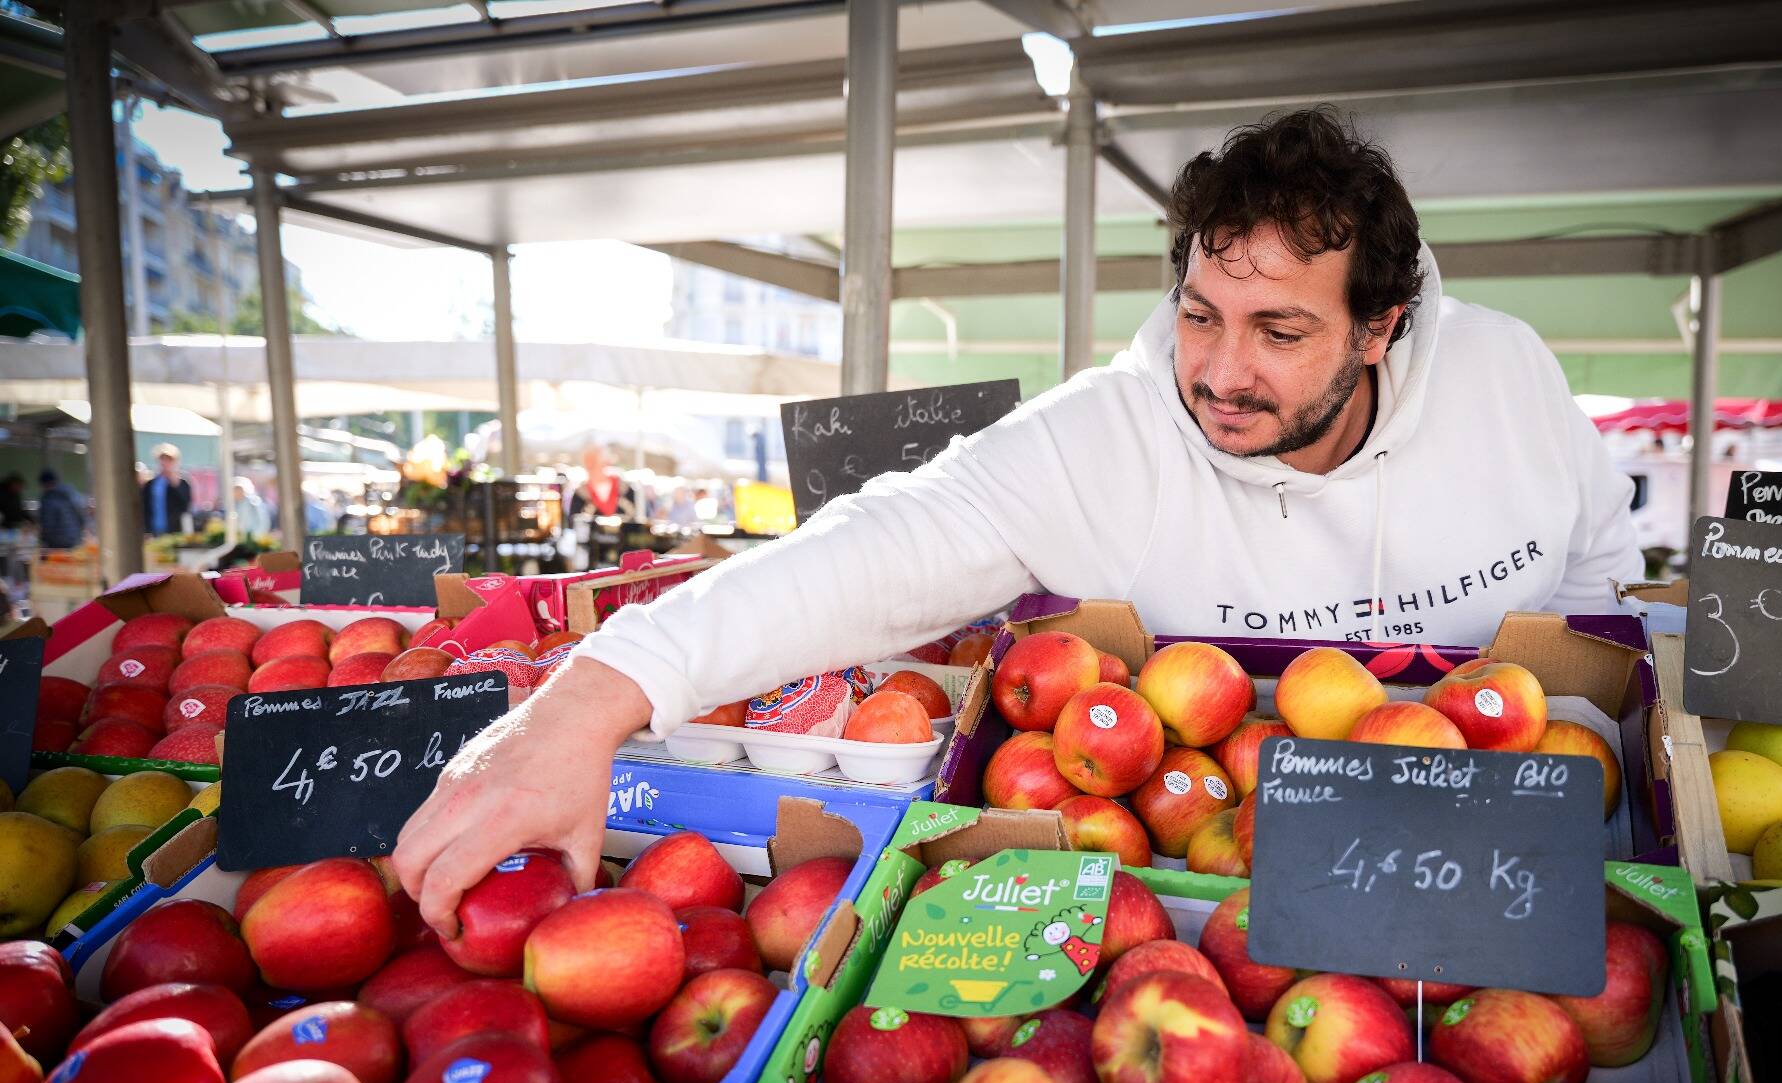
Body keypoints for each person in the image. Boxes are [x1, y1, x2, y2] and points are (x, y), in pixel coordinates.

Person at [395, 108, 1642, 936]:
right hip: (1201, 895)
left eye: (1279, 332)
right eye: (1200, 313)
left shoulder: (1506, 379)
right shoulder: (1109, 433)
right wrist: (589, 698)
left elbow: (1602, 572)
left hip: (1495, 872)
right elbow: (879, 545)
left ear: (1378, 329)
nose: (1216, 370)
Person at [566, 443, 642, 525]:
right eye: (589, 462)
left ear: (606, 462)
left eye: (595, 462)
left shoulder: (624, 489)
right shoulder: (580, 494)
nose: (592, 466)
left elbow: (636, 520)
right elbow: (573, 523)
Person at [141, 444, 192, 535]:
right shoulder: (151, 484)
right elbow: (144, 507)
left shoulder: (182, 483)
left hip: (175, 530)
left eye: (169, 460)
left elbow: (185, 505)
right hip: (153, 530)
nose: (165, 463)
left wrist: (175, 484)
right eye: (162, 459)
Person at [36, 469, 87, 550]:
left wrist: (43, 540)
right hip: (74, 539)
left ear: (44, 484)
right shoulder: (71, 493)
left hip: (56, 544)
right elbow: (81, 514)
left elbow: (48, 525)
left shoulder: (47, 499)